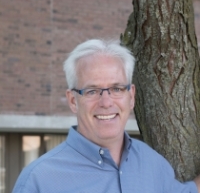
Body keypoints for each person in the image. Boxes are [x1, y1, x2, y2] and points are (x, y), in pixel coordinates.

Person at [12, 39, 200, 193]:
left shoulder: (153, 164)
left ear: (131, 96)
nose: (106, 102)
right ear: (72, 101)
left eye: (117, 88)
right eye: (92, 91)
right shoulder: (39, 181)